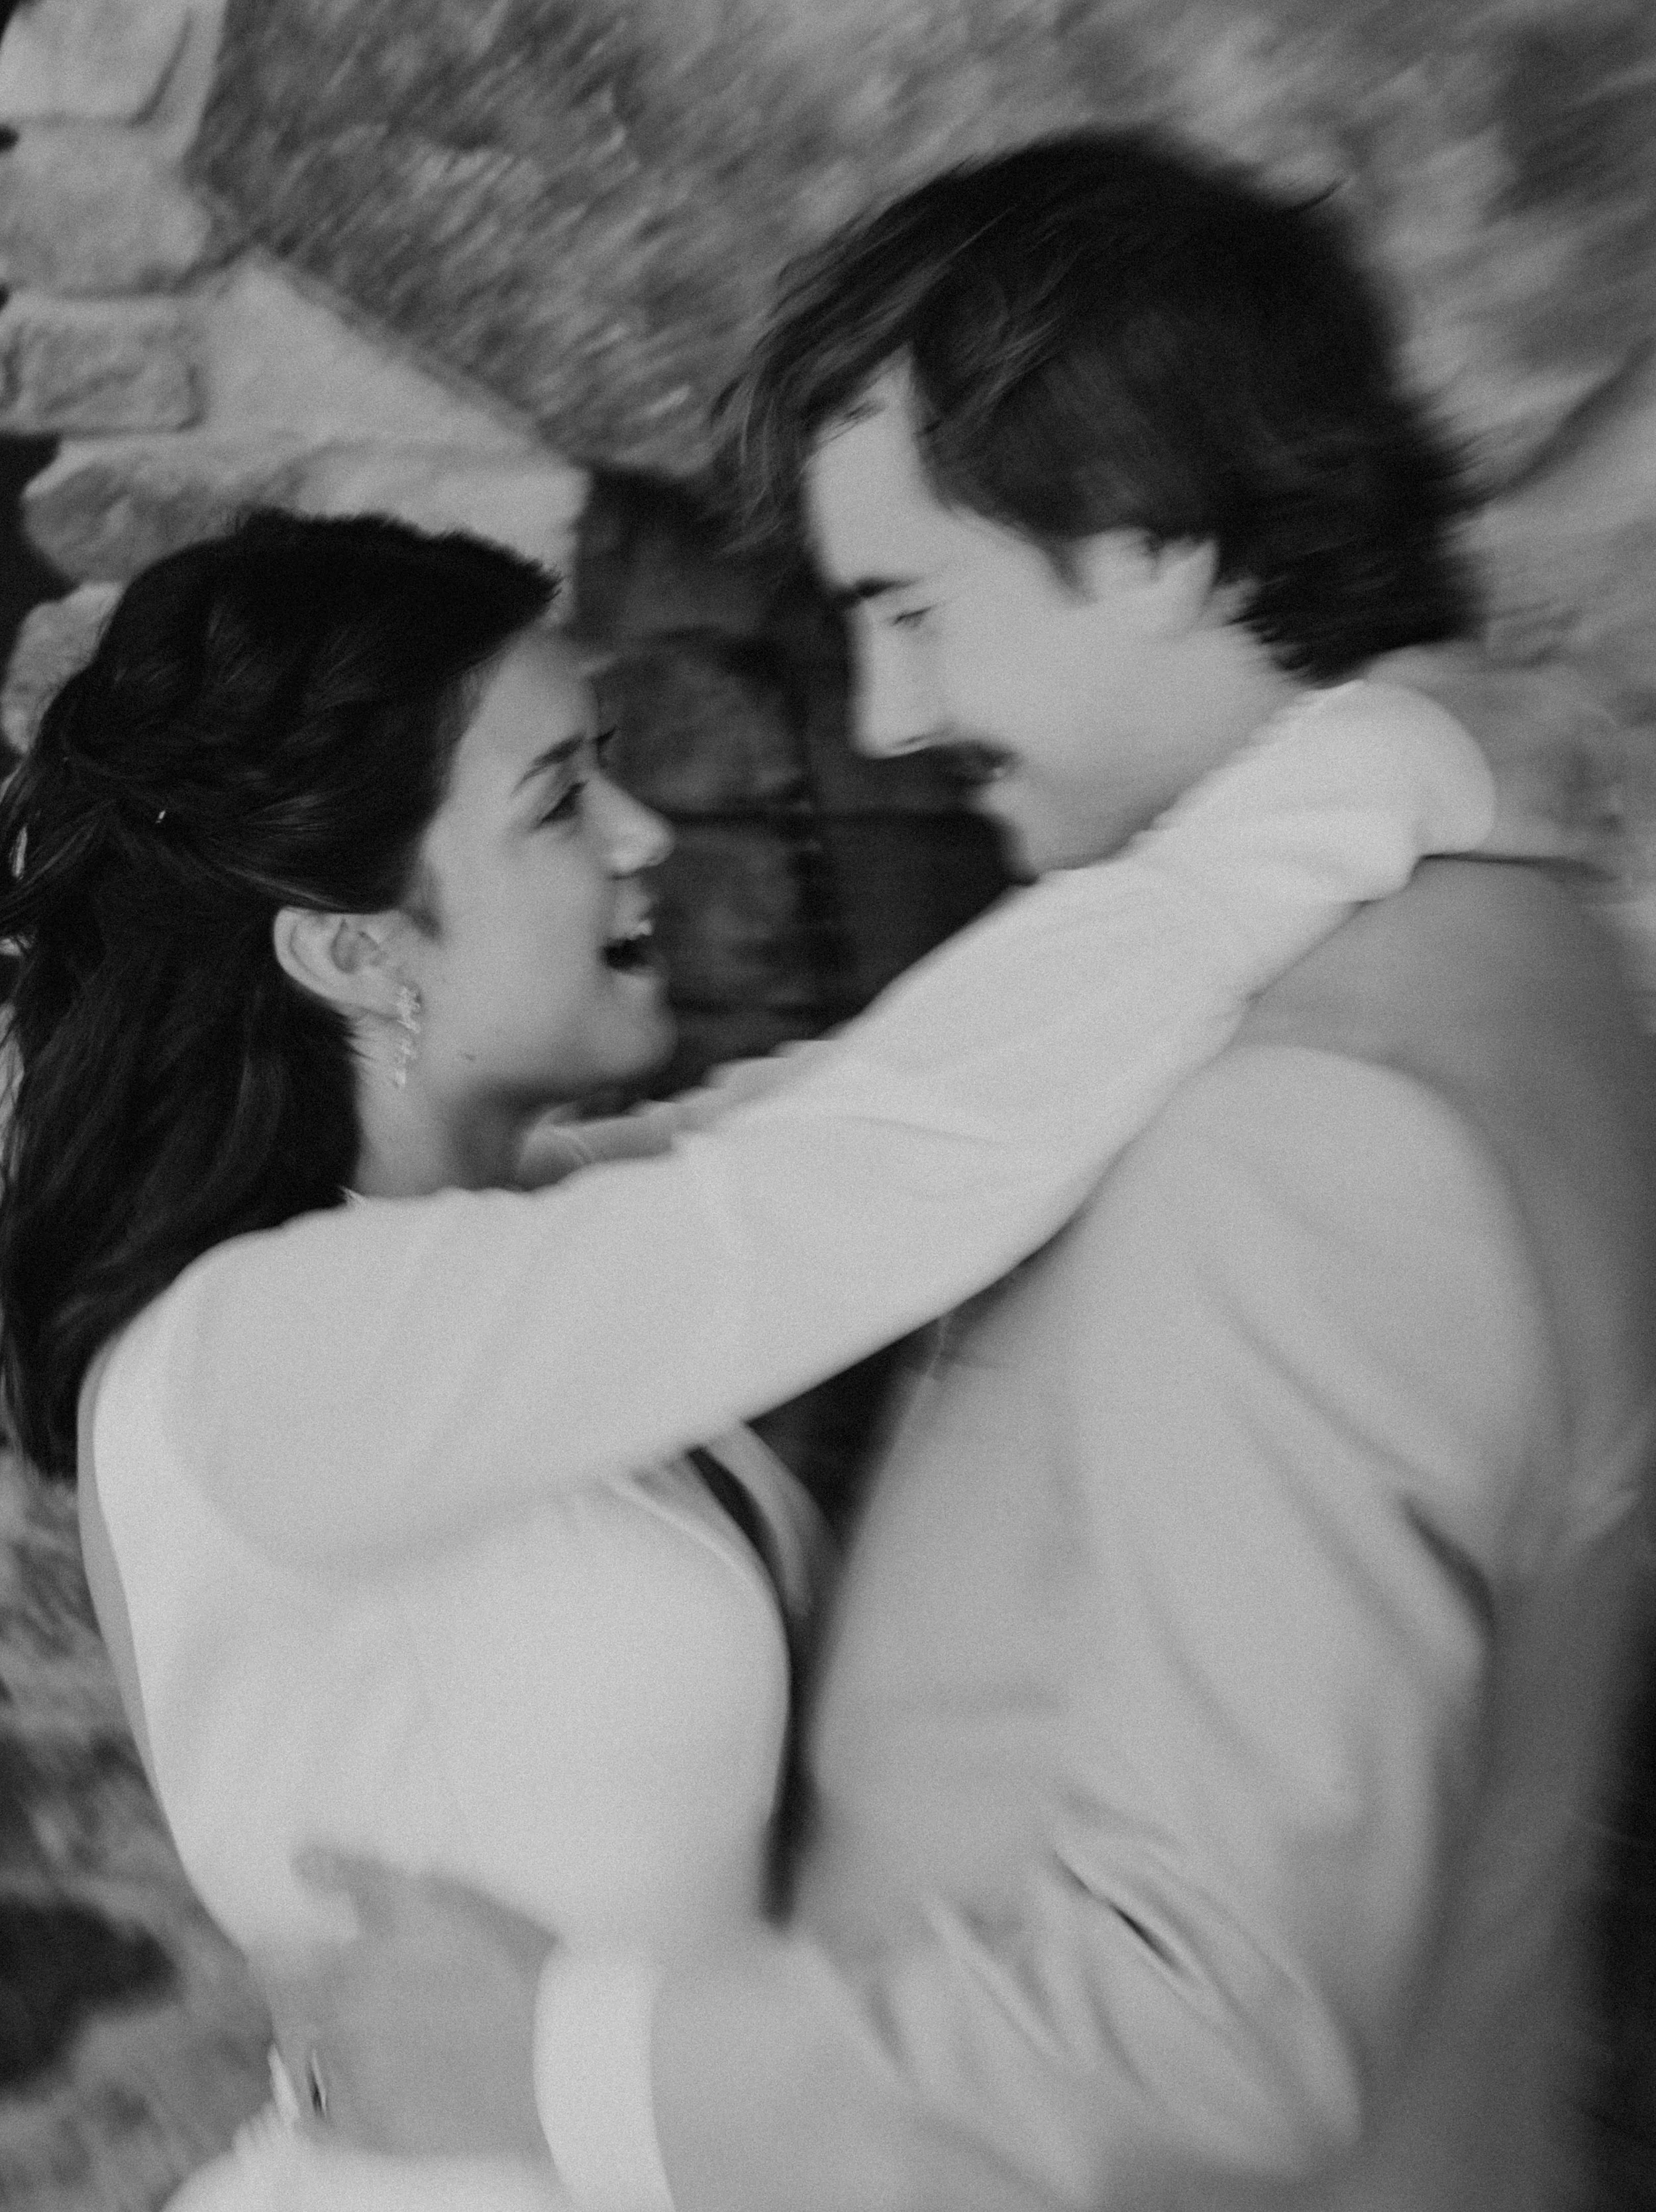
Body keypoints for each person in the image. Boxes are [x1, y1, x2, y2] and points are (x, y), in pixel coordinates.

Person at [285, 133, 1656, 2212]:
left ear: (1155, 547)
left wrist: (547, 2057)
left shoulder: (1314, 1118)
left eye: (913, 605)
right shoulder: (1491, 946)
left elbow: (1217, 2023)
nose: (897, 709)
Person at [0, 503, 1545, 2212]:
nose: (645, 829)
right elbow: (886, 1161)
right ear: (358, 949)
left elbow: (870, 1097)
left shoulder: (507, 1264)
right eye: (559, 799)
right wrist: (1372, 772)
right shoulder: (268, 1351)